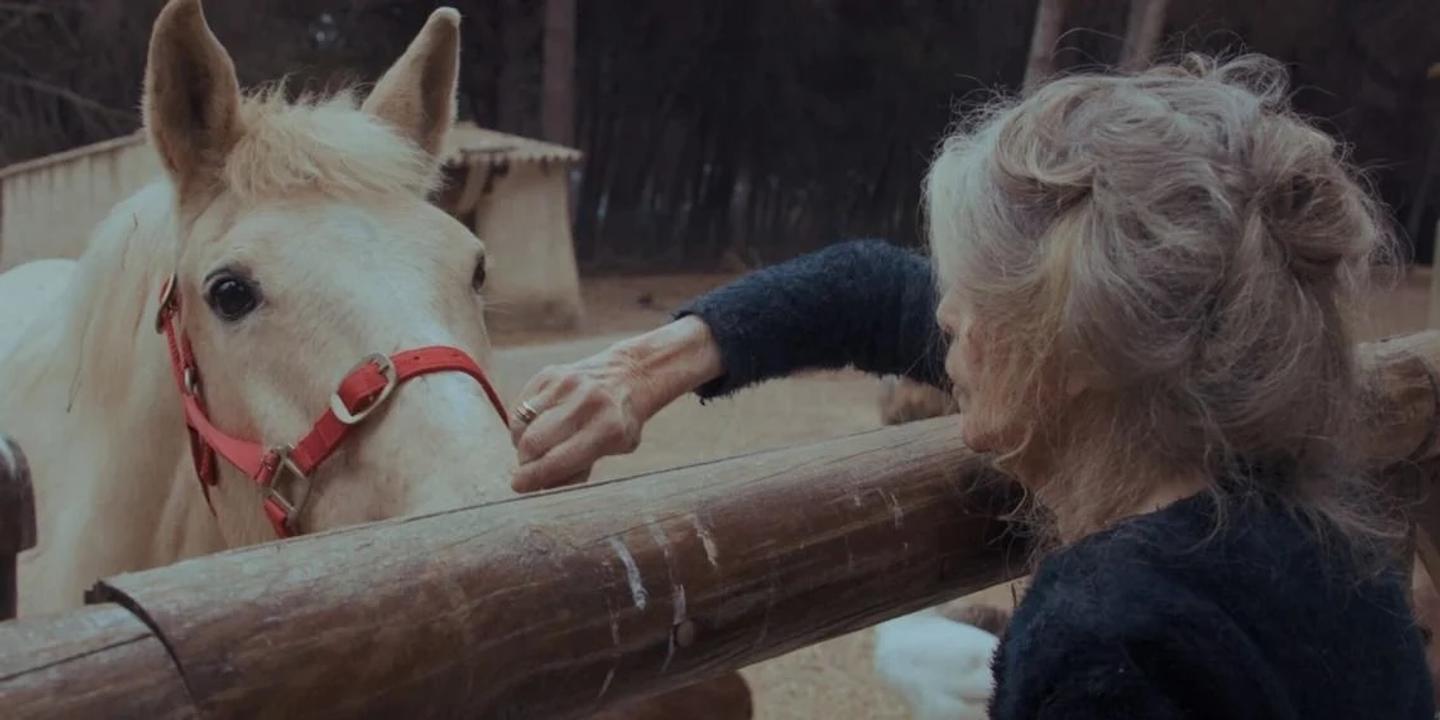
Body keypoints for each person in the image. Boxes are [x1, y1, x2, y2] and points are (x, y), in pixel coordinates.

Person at [507, 54, 1434, 718]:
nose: (943, 313)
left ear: (1071, 350)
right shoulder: (1304, 512)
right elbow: (871, 286)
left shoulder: (1114, 640)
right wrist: (643, 368)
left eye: (974, 290)